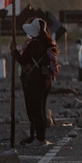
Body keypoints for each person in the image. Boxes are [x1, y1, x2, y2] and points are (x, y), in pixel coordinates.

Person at [12, 18, 59, 146]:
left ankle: (40, 138)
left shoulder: (34, 44)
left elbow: (22, 59)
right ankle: (36, 136)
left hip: (34, 82)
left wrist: (14, 51)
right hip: (45, 81)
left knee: (34, 110)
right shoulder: (48, 43)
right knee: (41, 109)